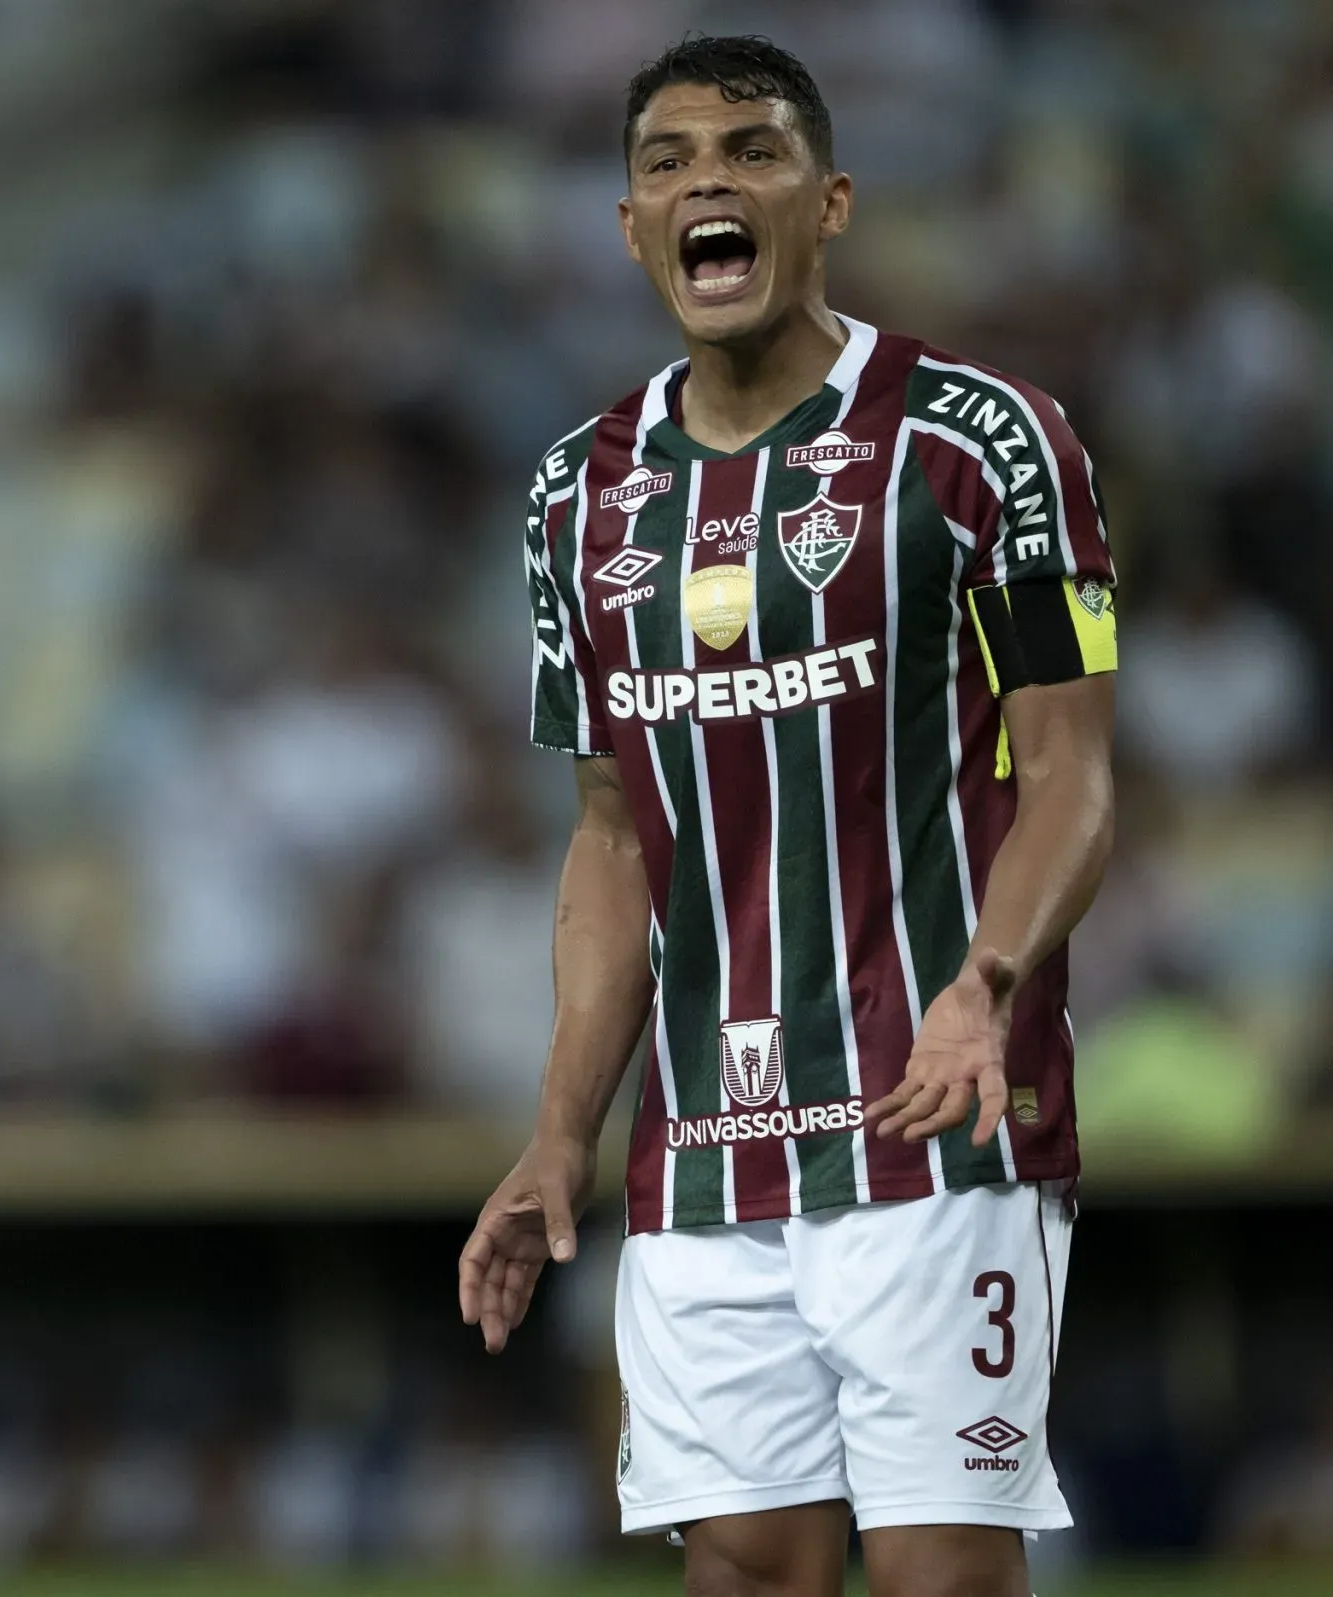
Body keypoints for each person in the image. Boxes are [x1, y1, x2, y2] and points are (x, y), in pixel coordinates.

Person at [459, 37, 1118, 1597]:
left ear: (829, 202)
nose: (710, 181)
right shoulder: (577, 497)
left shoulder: (986, 440)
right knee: (746, 1573)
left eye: (752, 151)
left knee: (941, 1576)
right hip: (705, 1145)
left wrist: (987, 986)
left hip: (939, 1120)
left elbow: (1073, 778)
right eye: (670, 160)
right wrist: (558, 1132)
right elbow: (613, 837)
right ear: (632, 226)